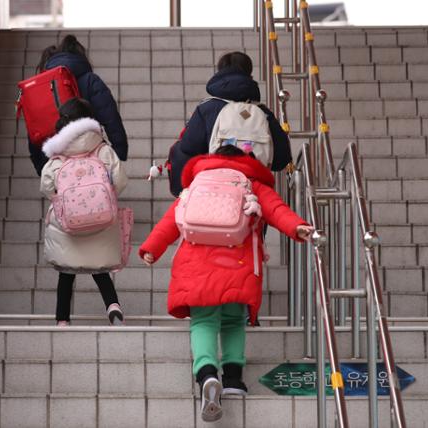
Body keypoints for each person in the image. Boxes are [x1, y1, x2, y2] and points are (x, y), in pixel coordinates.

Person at [139, 145, 313, 422]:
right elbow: (277, 210)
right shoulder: (252, 183)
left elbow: (171, 220)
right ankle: (233, 380)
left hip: (196, 264)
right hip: (238, 265)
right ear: (246, 160)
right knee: (233, 321)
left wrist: (151, 248)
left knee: (204, 321)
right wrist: (298, 227)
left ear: (213, 159)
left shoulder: (198, 181)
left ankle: (207, 374)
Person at [40, 97, 128, 326]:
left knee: (66, 271)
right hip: (102, 218)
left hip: (67, 223)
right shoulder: (102, 149)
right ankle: (112, 305)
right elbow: (119, 180)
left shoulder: (58, 151)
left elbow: (47, 185)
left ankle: (62, 319)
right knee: (98, 266)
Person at [168, 51, 291, 197]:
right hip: (253, 194)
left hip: (212, 192)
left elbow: (188, 147)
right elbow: (281, 159)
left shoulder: (206, 109)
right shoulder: (262, 112)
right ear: (249, 74)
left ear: (220, 73)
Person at [29, 35, 128, 175]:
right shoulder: (90, 81)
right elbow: (110, 117)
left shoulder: (41, 87)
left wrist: (42, 167)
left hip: (58, 159)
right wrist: (119, 151)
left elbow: (34, 129)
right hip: (91, 153)